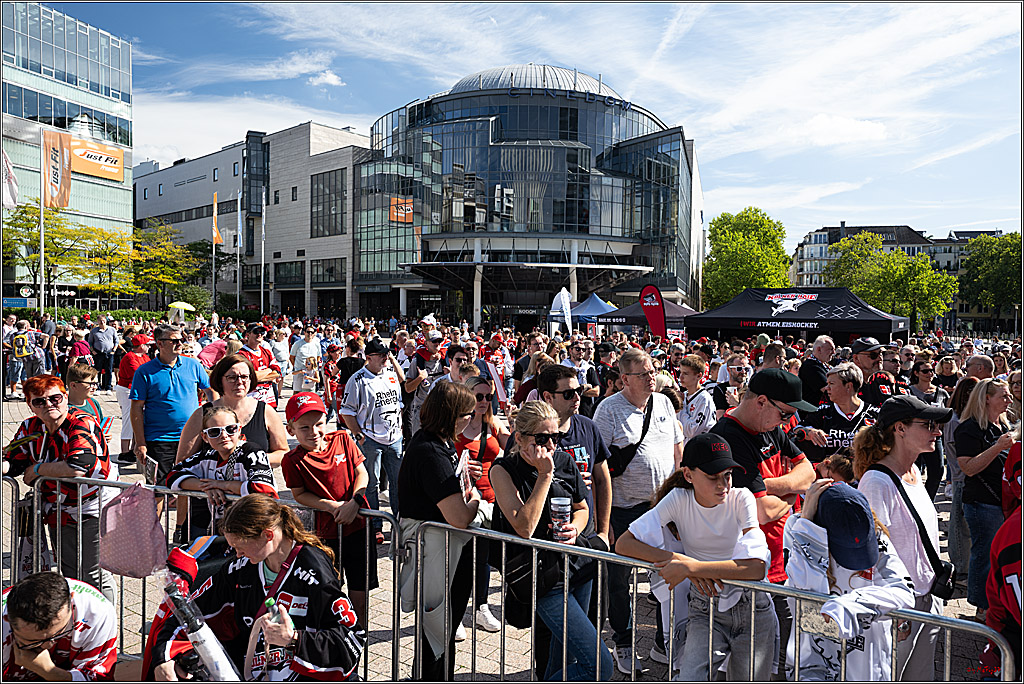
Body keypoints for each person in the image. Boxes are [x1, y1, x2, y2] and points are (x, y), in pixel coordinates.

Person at [151, 494, 365, 681]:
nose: (237, 554)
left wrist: (295, 639)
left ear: (268, 535)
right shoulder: (240, 568)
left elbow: (353, 640)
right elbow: (189, 612)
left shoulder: (314, 571)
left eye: (241, 547)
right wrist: (163, 657)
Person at [615, 433, 774, 681]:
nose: (723, 485)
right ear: (689, 475)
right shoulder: (679, 498)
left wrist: (693, 568)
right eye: (713, 477)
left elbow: (756, 569)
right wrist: (681, 562)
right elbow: (624, 543)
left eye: (728, 475)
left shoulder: (741, 498)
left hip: (751, 606)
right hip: (704, 606)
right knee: (689, 676)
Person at [488, 401, 612, 681]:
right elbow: (524, 526)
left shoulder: (565, 461)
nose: (551, 445)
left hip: (577, 567)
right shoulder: (503, 470)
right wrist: (545, 476)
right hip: (543, 578)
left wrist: (575, 530)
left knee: (562, 661)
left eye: (556, 437)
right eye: (542, 439)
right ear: (519, 439)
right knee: (600, 666)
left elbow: (582, 508)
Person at [592, 348, 683, 673]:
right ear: (624, 379)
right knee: (619, 581)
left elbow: (677, 449)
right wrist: (604, 520)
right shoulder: (608, 410)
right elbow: (597, 469)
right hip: (622, 510)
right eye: (644, 374)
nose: (652, 378)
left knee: (667, 575)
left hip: (660, 508)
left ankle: (663, 641)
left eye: (653, 371)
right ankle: (625, 640)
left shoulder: (664, 403)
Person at [853, 394, 953, 681]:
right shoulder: (876, 481)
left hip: (927, 597)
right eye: (929, 424)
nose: (937, 431)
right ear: (900, 428)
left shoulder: (914, 472)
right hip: (901, 607)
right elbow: (871, 553)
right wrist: (891, 609)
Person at [783, 480, 916, 681]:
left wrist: (852, 604)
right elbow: (802, 590)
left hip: (866, 665)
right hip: (813, 662)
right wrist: (807, 524)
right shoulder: (798, 528)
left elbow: (904, 591)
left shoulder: (873, 532)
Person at [3, 375, 117, 602]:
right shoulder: (30, 427)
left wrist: (37, 470)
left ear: (65, 397)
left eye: (55, 398)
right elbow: (14, 460)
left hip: (92, 506)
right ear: (30, 405)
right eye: (39, 402)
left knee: (91, 572)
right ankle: (78, 619)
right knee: (70, 570)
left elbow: (78, 466)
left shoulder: (81, 422)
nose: (49, 405)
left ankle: (102, 624)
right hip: (58, 508)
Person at [396, 381, 481, 681]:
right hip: (438, 555)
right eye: (469, 413)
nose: (473, 418)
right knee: (437, 635)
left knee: (439, 635)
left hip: (444, 552)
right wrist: (476, 499)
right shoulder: (430, 451)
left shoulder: (434, 443)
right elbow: (459, 517)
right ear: (453, 415)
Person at [282, 392, 376, 630]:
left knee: (360, 593)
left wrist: (354, 502)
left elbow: (362, 473)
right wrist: (331, 506)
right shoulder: (292, 460)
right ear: (291, 430)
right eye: (304, 427)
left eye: (319, 424)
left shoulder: (343, 439)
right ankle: (334, 639)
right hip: (323, 537)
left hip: (358, 530)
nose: (313, 432)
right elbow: (299, 494)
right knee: (329, 593)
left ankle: (359, 637)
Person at [167, 405, 279, 540]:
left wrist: (222, 485)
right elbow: (172, 476)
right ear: (205, 437)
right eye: (215, 432)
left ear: (239, 430)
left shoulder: (252, 452)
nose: (224, 436)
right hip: (224, 529)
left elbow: (264, 489)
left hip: (256, 530)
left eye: (230, 429)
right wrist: (206, 487)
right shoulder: (207, 455)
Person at [954, 378, 1014, 622]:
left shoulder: (1002, 425)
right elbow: (967, 468)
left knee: (1000, 556)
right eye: (1004, 396)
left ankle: (997, 604)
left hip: (1003, 502)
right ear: (986, 398)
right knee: (984, 554)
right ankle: (981, 608)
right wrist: (998, 447)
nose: (1009, 400)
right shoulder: (968, 428)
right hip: (982, 503)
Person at [455, 375, 510, 634]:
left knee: (484, 557)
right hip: (464, 499)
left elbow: (512, 452)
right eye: (479, 396)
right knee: (461, 557)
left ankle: (481, 607)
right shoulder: (456, 426)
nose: (485, 401)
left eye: (489, 397)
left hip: (491, 499)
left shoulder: (494, 423)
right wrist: (463, 467)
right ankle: (454, 612)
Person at [131, 324, 215, 485]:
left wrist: (215, 414)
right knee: (159, 489)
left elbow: (210, 390)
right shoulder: (144, 371)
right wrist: (140, 442)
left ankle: (183, 512)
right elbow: (136, 408)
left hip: (193, 437)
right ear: (160, 343)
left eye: (181, 340)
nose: (180, 344)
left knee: (191, 486)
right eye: (174, 340)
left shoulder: (193, 365)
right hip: (159, 439)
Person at [340, 338, 405, 542]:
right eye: (381, 355)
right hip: (370, 440)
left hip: (394, 438)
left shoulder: (391, 375)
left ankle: (399, 522)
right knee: (371, 484)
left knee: (397, 482)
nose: (386, 358)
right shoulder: (357, 379)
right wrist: (359, 435)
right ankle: (375, 524)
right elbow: (346, 412)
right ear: (368, 358)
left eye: (387, 354)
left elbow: (399, 401)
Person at [2, 571, 118, 681]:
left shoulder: (97, 613)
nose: (46, 646)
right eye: (34, 641)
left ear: (71, 603)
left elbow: (99, 678)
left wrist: (49, 672)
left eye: (60, 633)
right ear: (8, 620)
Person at [793, 362, 878, 469]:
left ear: (848, 386)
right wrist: (810, 432)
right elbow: (797, 429)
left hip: (866, 474)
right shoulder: (823, 411)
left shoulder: (875, 413)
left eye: (831, 384)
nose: (827, 388)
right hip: (831, 476)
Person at [908, 359, 950, 500]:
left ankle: (927, 501)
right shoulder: (909, 391)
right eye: (925, 371)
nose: (929, 374)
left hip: (934, 436)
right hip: (913, 437)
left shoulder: (941, 392)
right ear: (916, 373)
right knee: (915, 470)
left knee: (937, 470)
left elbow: (948, 412)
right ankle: (913, 502)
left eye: (931, 370)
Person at [115, 334, 152, 461]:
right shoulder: (129, 357)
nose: (149, 347)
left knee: (138, 420)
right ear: (141, 346)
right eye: (147, 344)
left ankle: (133, 448)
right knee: (128, 419)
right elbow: (139, 373)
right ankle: (124, 451)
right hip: (126, 389)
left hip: (136, 390)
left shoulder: (145, 356)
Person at [405, 329, 448, 435]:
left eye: (439, 341)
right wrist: (420, 378)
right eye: (434, 341)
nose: (437, 344)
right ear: (426, 343)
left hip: (440, 408)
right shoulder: (417, 362)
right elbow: (408, 388)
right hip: (422, 409)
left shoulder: (446, 360)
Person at [238, 324, 282, 409]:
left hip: (268, 398)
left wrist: (258, 377)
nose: (259, 334)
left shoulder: (266, 352)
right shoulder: (242, 354)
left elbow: (278, 372)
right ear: (248, 334)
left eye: (262, 332)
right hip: (251, 398)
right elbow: (249, 377)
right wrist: (269, 370)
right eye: (256, 332)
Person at [676, 354, 717, 439]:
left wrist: (681, 407)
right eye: (680, 372)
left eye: (685, 373)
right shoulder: (684, 395)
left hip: (699, 447)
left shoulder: (703, 398)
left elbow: (692, 432)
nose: (681, 377)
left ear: (698, 376)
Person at [799, 335, 835, 408]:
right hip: (814, 413)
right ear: (819, 349)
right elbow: (828, 390)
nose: (833, 352)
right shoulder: (811, 366)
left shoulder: (822, 364)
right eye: (830, 349)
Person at [86, 316, 118, 394]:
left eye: (103, 321)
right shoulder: (94, 331)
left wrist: (114, 350)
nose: (102, 322)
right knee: (98, 371)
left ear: (106, 321)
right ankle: (98, 388)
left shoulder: (112, 330)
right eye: (100, 321)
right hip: (98, 353)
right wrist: (93, 351)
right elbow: (90, 342)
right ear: (97, 321)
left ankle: (108, 388)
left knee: (109, 371)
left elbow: (116, 341)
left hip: (109, 353)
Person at [289, 326, 322, 393]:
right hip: (299, 371)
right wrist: (297, 367)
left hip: (311, 373)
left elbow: (318, 357)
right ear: (304, 332)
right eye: (308, 332)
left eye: (311, 332)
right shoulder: (297, 344)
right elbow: (292, 357)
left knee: (310, 393)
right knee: (297, 392)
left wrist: (312, 367)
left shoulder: (316, 344)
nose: (310, 334)